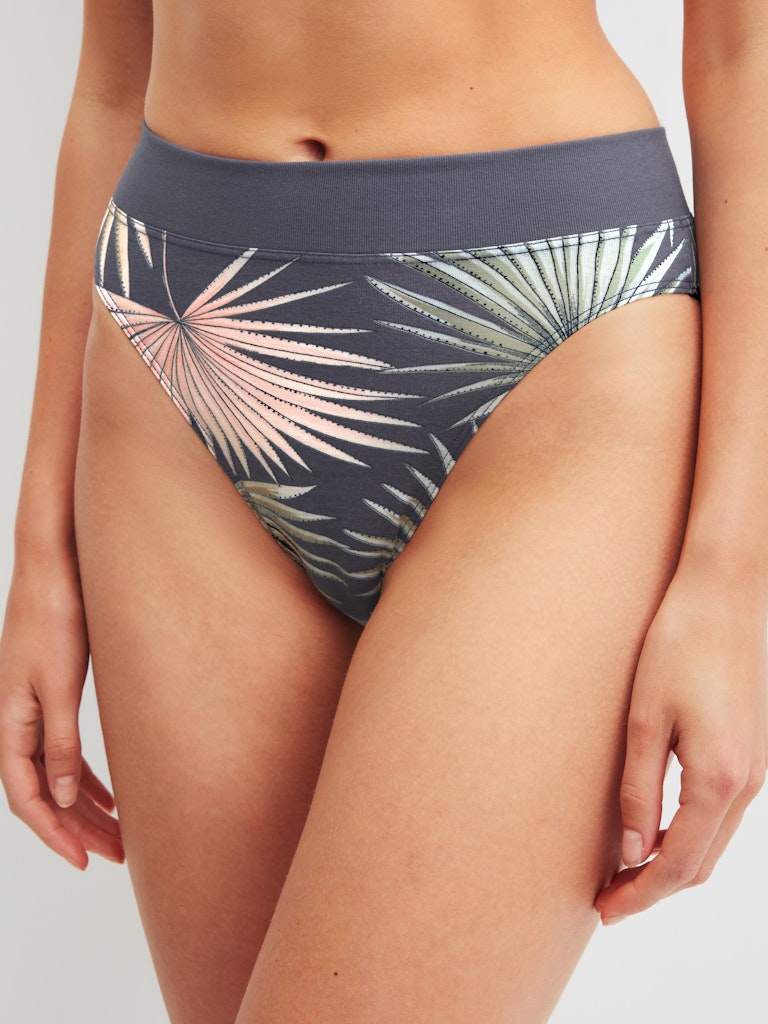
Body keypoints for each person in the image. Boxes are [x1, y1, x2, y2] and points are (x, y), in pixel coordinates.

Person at [0, 1, 766, 1022]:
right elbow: (108, 81)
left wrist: (731, 582)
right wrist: (40, 549)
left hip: (552, 333)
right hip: (175, 336)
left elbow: (743, 55)